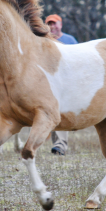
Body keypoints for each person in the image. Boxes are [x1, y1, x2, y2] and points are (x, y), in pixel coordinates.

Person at [45, 14, 78, 155]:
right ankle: (54, 144)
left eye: (54, 24)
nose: (52, 27)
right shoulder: (43, 41)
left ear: (61, 25)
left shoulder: (69, 40)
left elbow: (79, 60)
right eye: (49, 24)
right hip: (48, 84)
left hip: (67, 83)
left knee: (60, 112)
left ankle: (60, 145)